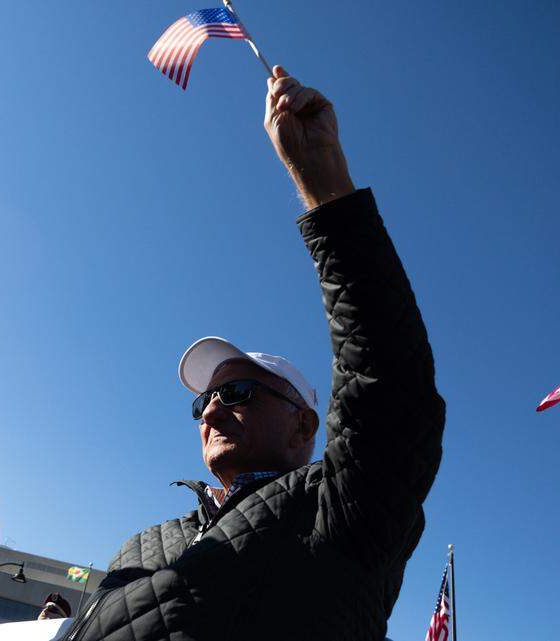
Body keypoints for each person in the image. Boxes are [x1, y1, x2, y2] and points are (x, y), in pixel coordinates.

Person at [63, 67, 446, 640]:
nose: (212, 411)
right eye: (204, 403)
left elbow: (388, 398)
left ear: (303, 427)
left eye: (239, 392)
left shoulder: (333, 516)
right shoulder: (142, 546)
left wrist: (328, 194)